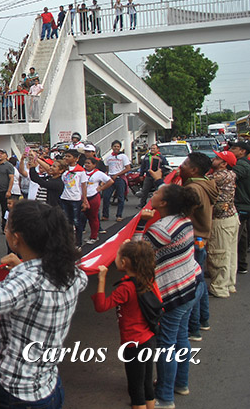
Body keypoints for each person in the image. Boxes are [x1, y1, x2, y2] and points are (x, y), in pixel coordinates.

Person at [0, 200, 86, 408]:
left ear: (16, 238)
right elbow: (69, 282)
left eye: (7, 226)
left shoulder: (29, 280)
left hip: (21, 393)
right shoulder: (68, 270)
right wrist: (23, 265)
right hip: (49, 383)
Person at [133, 184, 200, 408]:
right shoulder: (184, 221)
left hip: (174, 293)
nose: (153, 194)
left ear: (163, 204)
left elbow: (136, 253)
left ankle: (164, 396)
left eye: (157, 193)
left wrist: (142, 222)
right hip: (190, 285)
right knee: (180, 338)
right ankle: (180, 383)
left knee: (166, 345)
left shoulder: (161, 228)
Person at [93, 241, 160, 409]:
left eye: (117, 255)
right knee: (146, 383)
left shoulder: (126, 288)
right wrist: (128, 246)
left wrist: (101, 279)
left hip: (133, 343)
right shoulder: (149, 278)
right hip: (149, 338)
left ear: (123, 263)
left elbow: (102, 306)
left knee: (135, 388)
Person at [179, 152, 217, 342]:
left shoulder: (193, 189)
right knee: (199, 280)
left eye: (185, 164)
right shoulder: (205, 184)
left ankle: (193, 327)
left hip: (194, 239)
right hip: (201, 239)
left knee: (193, 285)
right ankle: (203, 320)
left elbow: (181, 212)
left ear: (194, 170)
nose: (181, 166)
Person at [206, 150, 239, 297]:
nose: (214, 158)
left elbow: (199, 181)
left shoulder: (218, 176)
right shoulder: (230, 174)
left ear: (224, 164)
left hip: (221, 221)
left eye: (218, 158)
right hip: (232, 217)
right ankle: (229, 284)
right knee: (230, 254)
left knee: (219, 254)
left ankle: (219, 287)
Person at [80, 157, 113, 245]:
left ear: (94, 165)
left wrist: (101, 188)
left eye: (89, 163)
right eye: (86, 163)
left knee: (93, 217)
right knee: (82, 217)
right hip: (82, 198)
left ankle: (94, 236)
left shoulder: (99, 173)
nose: (87, 165)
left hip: (93, 197)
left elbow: (110, 181)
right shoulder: (82, 172)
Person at [229, 140, 250, 275]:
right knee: (242, 235)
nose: (231, 150)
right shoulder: (243, 163)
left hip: (242, 205)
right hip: (244, 205)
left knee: (233, 237)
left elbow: (229, 177)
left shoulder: (241, 165)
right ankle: (241, 264)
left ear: (242, 151)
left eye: (234, 148)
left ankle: (231, 267)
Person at [61, 149, 89, 247]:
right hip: (65, 198)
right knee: (67, 222)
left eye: (69, 156)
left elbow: (84, 186)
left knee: (77, 222)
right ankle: (68, 243)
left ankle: (78, 243)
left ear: (76, 159)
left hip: (75, 199)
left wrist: (84, 200)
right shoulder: (65, 170)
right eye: (66, 156)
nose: (66, 158)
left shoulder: (81, 171)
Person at [103, 140, 132, 222]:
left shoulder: (123, 156)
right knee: (106, 197)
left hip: (120, 179)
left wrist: (117, 175)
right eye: (114, 146)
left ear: (120, 148)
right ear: (112, 147)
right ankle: (105, 215)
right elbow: (107, 169)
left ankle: (119, 215)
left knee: (120, 197)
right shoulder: (109, 158)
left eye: (118, 147)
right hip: (110, 179)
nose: (116, 148)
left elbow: (128, 168)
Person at [0, 150, 15, 235]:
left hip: (4, 191)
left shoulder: (9, 166)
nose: (0, 155)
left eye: (2, 153)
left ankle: (5, 226)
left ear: (6, 156)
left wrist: (9, 190)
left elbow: (11, 178)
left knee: (5, 210)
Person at [138, 144, 169, 209]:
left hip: (157, 176)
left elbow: (166, 166)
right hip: (148, 176)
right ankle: (142, 204)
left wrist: (161, 171)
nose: (152, 150)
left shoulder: (161, 157)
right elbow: (143, 166)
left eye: (154, 148)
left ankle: (158, 204)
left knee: (158, 190)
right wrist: (141, 174)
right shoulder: (147, 156)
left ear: (158, 149)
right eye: (151, 148)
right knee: (145, 190)